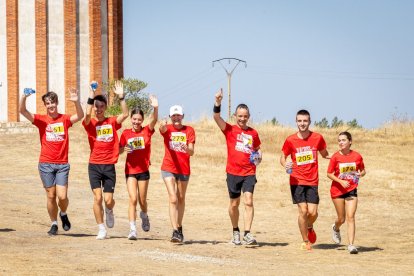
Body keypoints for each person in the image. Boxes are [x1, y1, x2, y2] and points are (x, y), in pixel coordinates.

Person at [19, 88, 83, 235]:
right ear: (45, 105)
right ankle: (54, 223)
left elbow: (80, 115)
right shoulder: (41, 120)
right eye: (47, 103)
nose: (50, 106)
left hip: (62, 164)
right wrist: (24, 97)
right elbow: (22, 111)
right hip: (45, 164)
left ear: (57, 103)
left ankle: (64, 213)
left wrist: (76, 102)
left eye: (52, 102)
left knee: (62, 196)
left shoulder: (65, 119)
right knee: (50, 195)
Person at [213, 89, 262, 245]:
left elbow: (257, 150)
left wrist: (259, 157)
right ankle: (235, 230)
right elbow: (216, 117)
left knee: (249, 201)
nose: (242, 119)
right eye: (240, 116)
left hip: (249, 172)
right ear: (235, 116)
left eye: (245, 116)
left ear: (249, 117)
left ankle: (247, 233)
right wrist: (218, 102)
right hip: (233, 172)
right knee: (234, 204)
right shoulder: (229, 130)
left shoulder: (253, 133)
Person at [83, 80, 128, 240]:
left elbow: (125, 115)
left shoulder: (111, 122)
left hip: (109, 166)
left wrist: (121, 97)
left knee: (108, 200)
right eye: (97, 106)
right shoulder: (90, 123)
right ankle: (101, 228)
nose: (99, 109)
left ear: (105, 108)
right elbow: (87, 115)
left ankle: (109, 210)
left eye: (102, 107)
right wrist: (91, 94)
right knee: (98, 198)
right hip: (94, 165)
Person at [280, 109, 330, 251]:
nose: (302, 124)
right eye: (300, 121)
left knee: (312, 213)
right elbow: (282, 157)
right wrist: (285, 164)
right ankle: (305, 241)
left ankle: (309, 226)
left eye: (305, 121)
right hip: (296, 181)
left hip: (313, 181)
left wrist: (337, 157)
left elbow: (324, 153)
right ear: (296, 122)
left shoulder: (317, 138)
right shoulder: (290, 140)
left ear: (309, 122)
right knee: (303, 211)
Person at [119, 95, 158, 240]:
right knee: (132, 199)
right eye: (134, 119)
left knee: (142, 200)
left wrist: (155, 107)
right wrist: (124, 150)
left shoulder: (147, 130)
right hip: (130, 171)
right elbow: (118, 150)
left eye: (139, 120)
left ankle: (144, 215)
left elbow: (154, 120)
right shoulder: (126, 133)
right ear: (131, 119)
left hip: (143, 171)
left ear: (142, 120)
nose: (136, 122)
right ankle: (132, 229)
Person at [159, 104, 195, 243]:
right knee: (173, 198)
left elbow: (192, 151)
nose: (176, 118)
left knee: (181, 198)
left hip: (184, 169)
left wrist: (187, 149)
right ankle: (174, 231)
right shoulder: (167, 129)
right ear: (170, 117)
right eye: (173, 115)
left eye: (178, 115)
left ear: (182, 116)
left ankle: (179, 227)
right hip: (168, 167)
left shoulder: (189, 130)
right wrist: (162, 125)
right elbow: (161, 129)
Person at [327, 131, 366, 254]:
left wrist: (361, 174)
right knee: (341, 218)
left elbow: (363, 170)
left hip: (351, 190)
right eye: (339, 140)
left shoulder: (357, 156)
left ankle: (351, 245)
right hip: (337, 190)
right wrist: (341, 181)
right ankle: (336, 227)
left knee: (351, 217)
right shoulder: (335, 157)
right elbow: (329, 174)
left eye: (343, 140)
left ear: (350, 141)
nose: (341, 142)